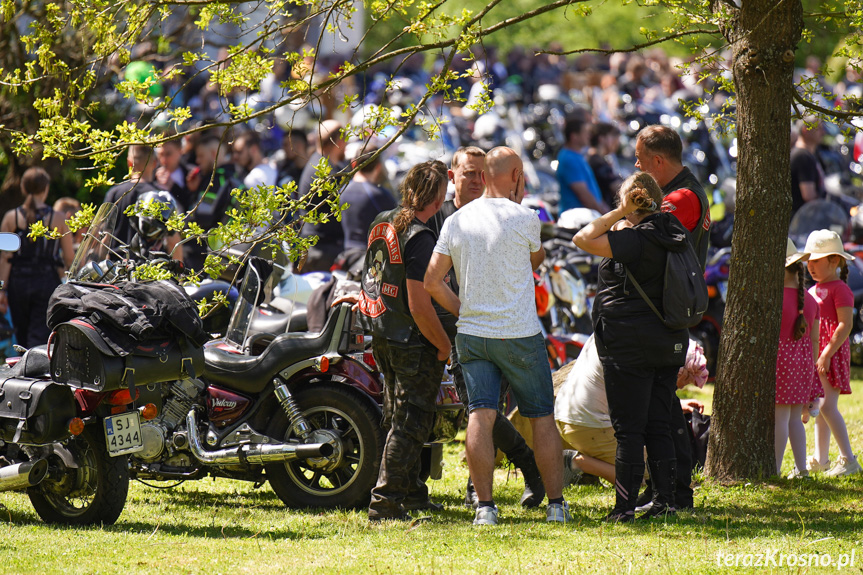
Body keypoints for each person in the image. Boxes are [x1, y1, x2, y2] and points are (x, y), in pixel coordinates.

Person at [425, 147, 569, 526]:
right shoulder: (526, 217)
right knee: (541, 417)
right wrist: (518, 205)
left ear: (484, 175)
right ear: (517, 175)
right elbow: (534, 261)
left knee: (480, 416)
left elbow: (431, 280)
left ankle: (485, 508)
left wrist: (463, 310)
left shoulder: (456, 220)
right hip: (519, 333)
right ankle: (556, 504)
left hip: (473, 334)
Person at [574, 171, 689, 522]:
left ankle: (623, 508)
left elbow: (583, 238)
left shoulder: (637, 240)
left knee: (629, 429)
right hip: (668, 340)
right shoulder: (673, 231)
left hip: (630, 345)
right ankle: (666, 502)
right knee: (658, 424)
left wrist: (617, 213)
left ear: (633, 201)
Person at [358, 160, 451, 522]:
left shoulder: (383, 219)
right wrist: (442, 343)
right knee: (412, 421)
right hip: (410, 338)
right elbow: (419, 302)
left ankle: (411, 493)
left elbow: (371, 278)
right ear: (440, 195)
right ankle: (385, 503)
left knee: (396, 414)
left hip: (381, 330)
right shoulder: (421, 236)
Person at [803, 230, 862, 477]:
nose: (811, 266)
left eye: (817, 260)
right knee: (820, 406)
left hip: (831, 354)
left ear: (834, 261)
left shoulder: (840, 290)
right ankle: (821, 457)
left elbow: (845, 324)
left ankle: (848, 459)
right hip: (817, 353)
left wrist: (826, 353)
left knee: (827, 406)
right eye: (809, 261)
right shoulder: (814, 290)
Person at [0, 167, 74, 347]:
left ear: (23, 188)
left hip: (18, 283)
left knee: (22, 337)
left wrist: (2, 289)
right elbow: (69, 257)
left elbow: (5, 258)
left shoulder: (11, 218)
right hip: (47, 282)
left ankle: (23, 371)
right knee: (40, 337)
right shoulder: (58, 218)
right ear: (46, 189)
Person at [634, 124, 710, 269]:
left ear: (658, 161)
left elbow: (638, 244)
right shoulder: (678, 188)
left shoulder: (681, 198)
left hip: (674, 290)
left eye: (639, 158)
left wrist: (620, 223)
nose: (637, 164)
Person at [775, 238, 819, 479]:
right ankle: (802, 468)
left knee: (780, 418)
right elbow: (815, 340)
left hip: (782, 364)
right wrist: (811, 369)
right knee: (794, 418)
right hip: (803, 365)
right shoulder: (811, 300)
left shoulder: (775, 299)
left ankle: (775, 468)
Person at [297, 120, 349, 272]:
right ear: (339, 141)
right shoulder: (325, 171)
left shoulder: (320, 163)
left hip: (319, 248)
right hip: (322, 252)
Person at [339, 148, 397, 251]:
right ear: (378, 167)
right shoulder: (379, 195)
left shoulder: (342, 192)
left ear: (354, 164)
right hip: (370, 256)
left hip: (344, 253)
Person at [556, 116, 608, 215]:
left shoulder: (576, 156)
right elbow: (584, 195)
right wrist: (605, 217)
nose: (589, 136)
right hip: (577, 220)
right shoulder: (569, 158)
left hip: (586, 217)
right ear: (574, 136)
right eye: (585, 132)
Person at [790, 119, 826, 217]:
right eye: (819, 128)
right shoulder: (802, 156)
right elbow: (808, 195)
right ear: (806, 130)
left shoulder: (810, 154)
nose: (823, 132)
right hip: (801, 223)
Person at [586, 122, 624, 208]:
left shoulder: (595, 158)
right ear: (601, 138)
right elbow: (617, 188)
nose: (616, 141)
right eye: (612, 136)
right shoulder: (597, 162)